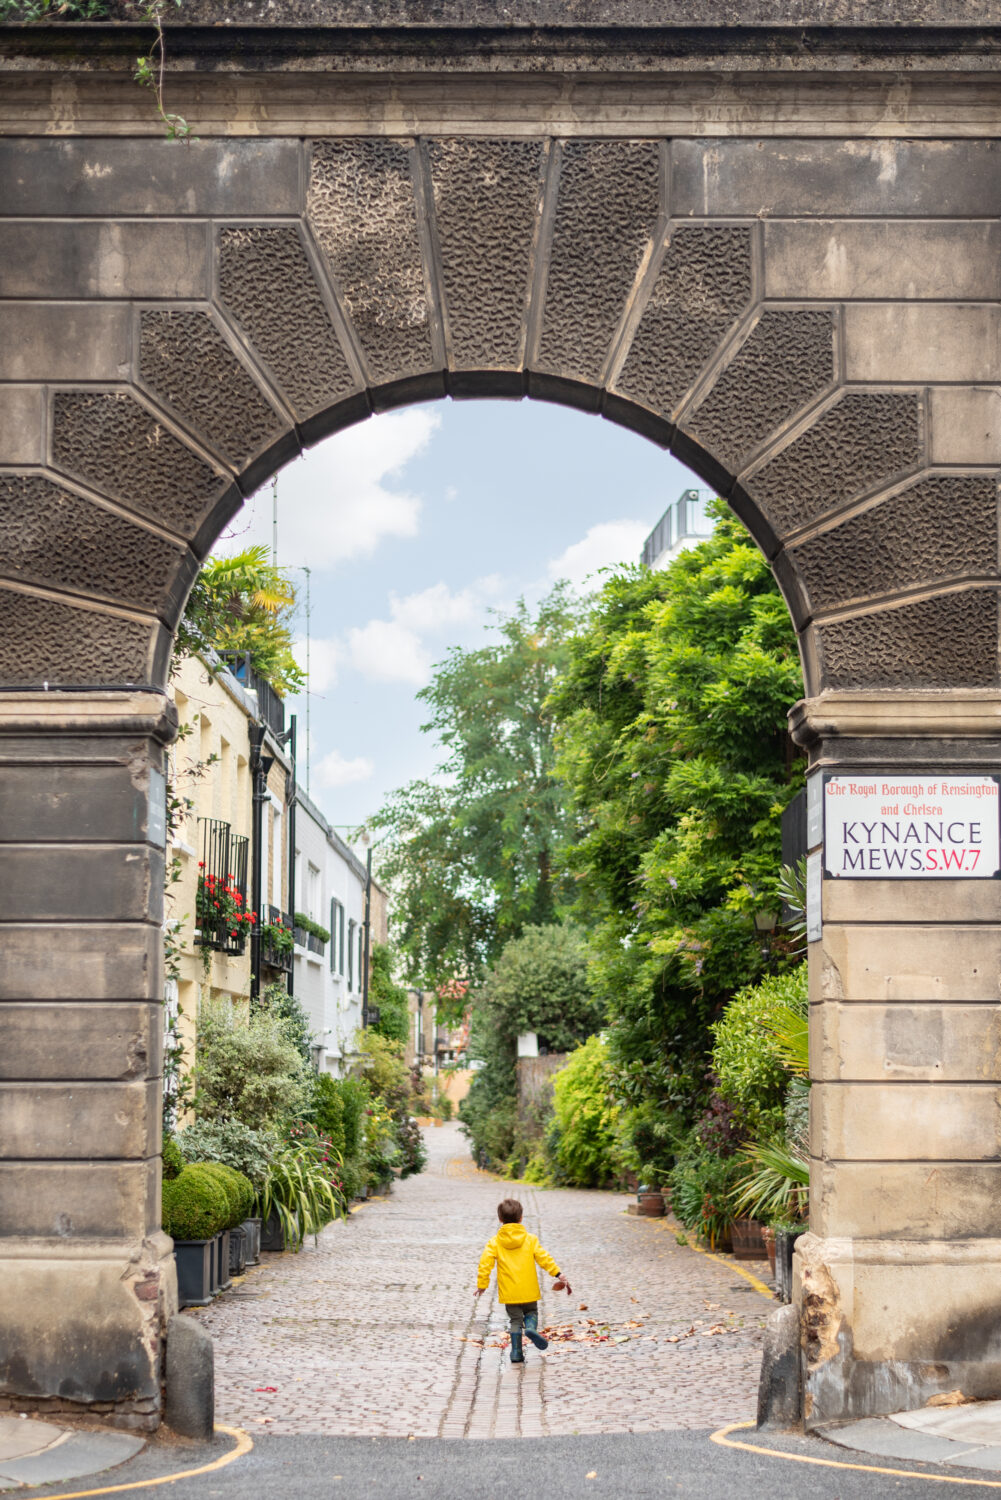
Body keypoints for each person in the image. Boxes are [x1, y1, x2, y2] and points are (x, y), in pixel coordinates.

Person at [474, 1198, 573, 1364]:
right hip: (529, 1289)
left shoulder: (495, 1242)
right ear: (521, 1218)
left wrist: (482, 1285)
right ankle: (532, 1329)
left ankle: (516, 1353)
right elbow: (544, 1258)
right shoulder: (530, 1239)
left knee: (515, 1321)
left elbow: (485, 1264)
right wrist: (558, 1273)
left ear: (500, 1220)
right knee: (531, 1313)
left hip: (509, 1292)